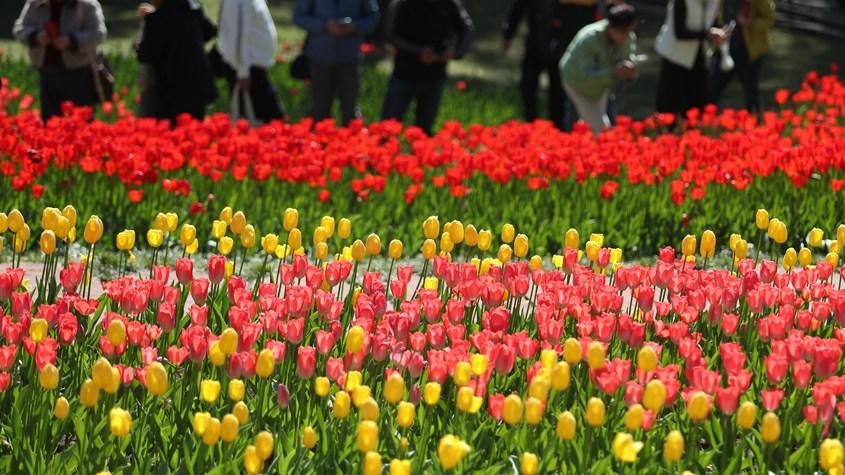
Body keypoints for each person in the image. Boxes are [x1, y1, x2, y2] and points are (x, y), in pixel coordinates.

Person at [381, 0, 474, 135]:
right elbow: (390, 33)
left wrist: (456, 52)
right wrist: (418, 51)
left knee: (424, 129)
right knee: (389, 124)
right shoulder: (403, 3)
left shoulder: (448, 4)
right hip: (405, 72)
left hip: (434, 74)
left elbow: (467, 27)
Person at [13, 0, 107, 122]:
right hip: (47, 73)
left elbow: (98, 34)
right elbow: (19, 29)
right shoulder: (35, 3)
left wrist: (72, 41)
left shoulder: (86, 5)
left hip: (78, 74)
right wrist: (35, 37)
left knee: (80, 121)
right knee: (50, 122)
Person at [294, 0, 379, 126]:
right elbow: (299, 17)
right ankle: (319, 136)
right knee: (320, 109)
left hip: (349, 57)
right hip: (320, 57)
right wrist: (325, 25)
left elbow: (373, 18)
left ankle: (353, 137)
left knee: (350, 108)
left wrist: (354, 26)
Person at [559, 4, 638, 134]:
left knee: (594, 124)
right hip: (576, 82)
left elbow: (627, 59)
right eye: (621, 33)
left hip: (601, 86)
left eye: (628, 31)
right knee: (599, 128)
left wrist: (630, 71)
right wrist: (614, 72)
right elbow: (585, 76)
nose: (625, 37)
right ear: (610, 26)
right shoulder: (589, 39)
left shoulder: (628, 37)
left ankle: (582, 142)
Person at [136, 0, 218, 123]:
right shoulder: (190, 7)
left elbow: (146, 54)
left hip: (172, 91)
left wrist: (137, 44)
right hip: (197, 85)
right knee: (195, 128)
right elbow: (209, 32)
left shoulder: (158, 18)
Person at [654, 0, 728, 117]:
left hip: (698, 58)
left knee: (698, 107)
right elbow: (680, 33)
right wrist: (708, 34)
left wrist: (720, 32)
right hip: (674, 59)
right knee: (671, 109)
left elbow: (711, 22)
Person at [217, 0, 285, 123]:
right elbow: (239, 36)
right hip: (247, 69)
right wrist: (243, 72)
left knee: (266, 119)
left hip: (250, 66)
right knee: (270, 118)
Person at [708, 0, 775, 112]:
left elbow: (770, 20)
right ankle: (703, 120)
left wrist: (751, 23)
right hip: (724, 50)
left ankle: (755, 121)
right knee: (711, 91)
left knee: (752, 96)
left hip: (749, 53)